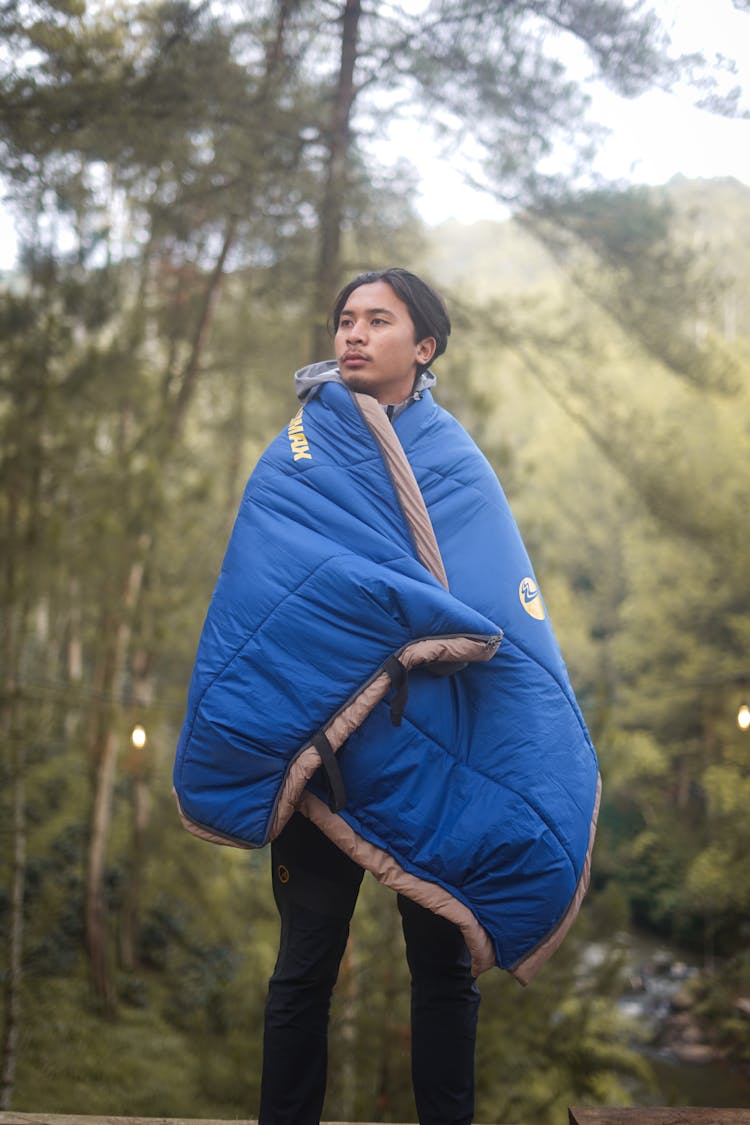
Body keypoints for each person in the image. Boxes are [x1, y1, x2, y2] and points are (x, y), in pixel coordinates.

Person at [258, 269, 480, 1125]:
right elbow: (269, 588)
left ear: (423, 347)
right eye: (345, 319)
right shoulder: (300, 449)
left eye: (376, 320)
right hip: (328, 750)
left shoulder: (454, 461)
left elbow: (488, 599)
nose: (352, 333)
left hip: (432, 753)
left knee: (443, 966)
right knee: (304, 964)